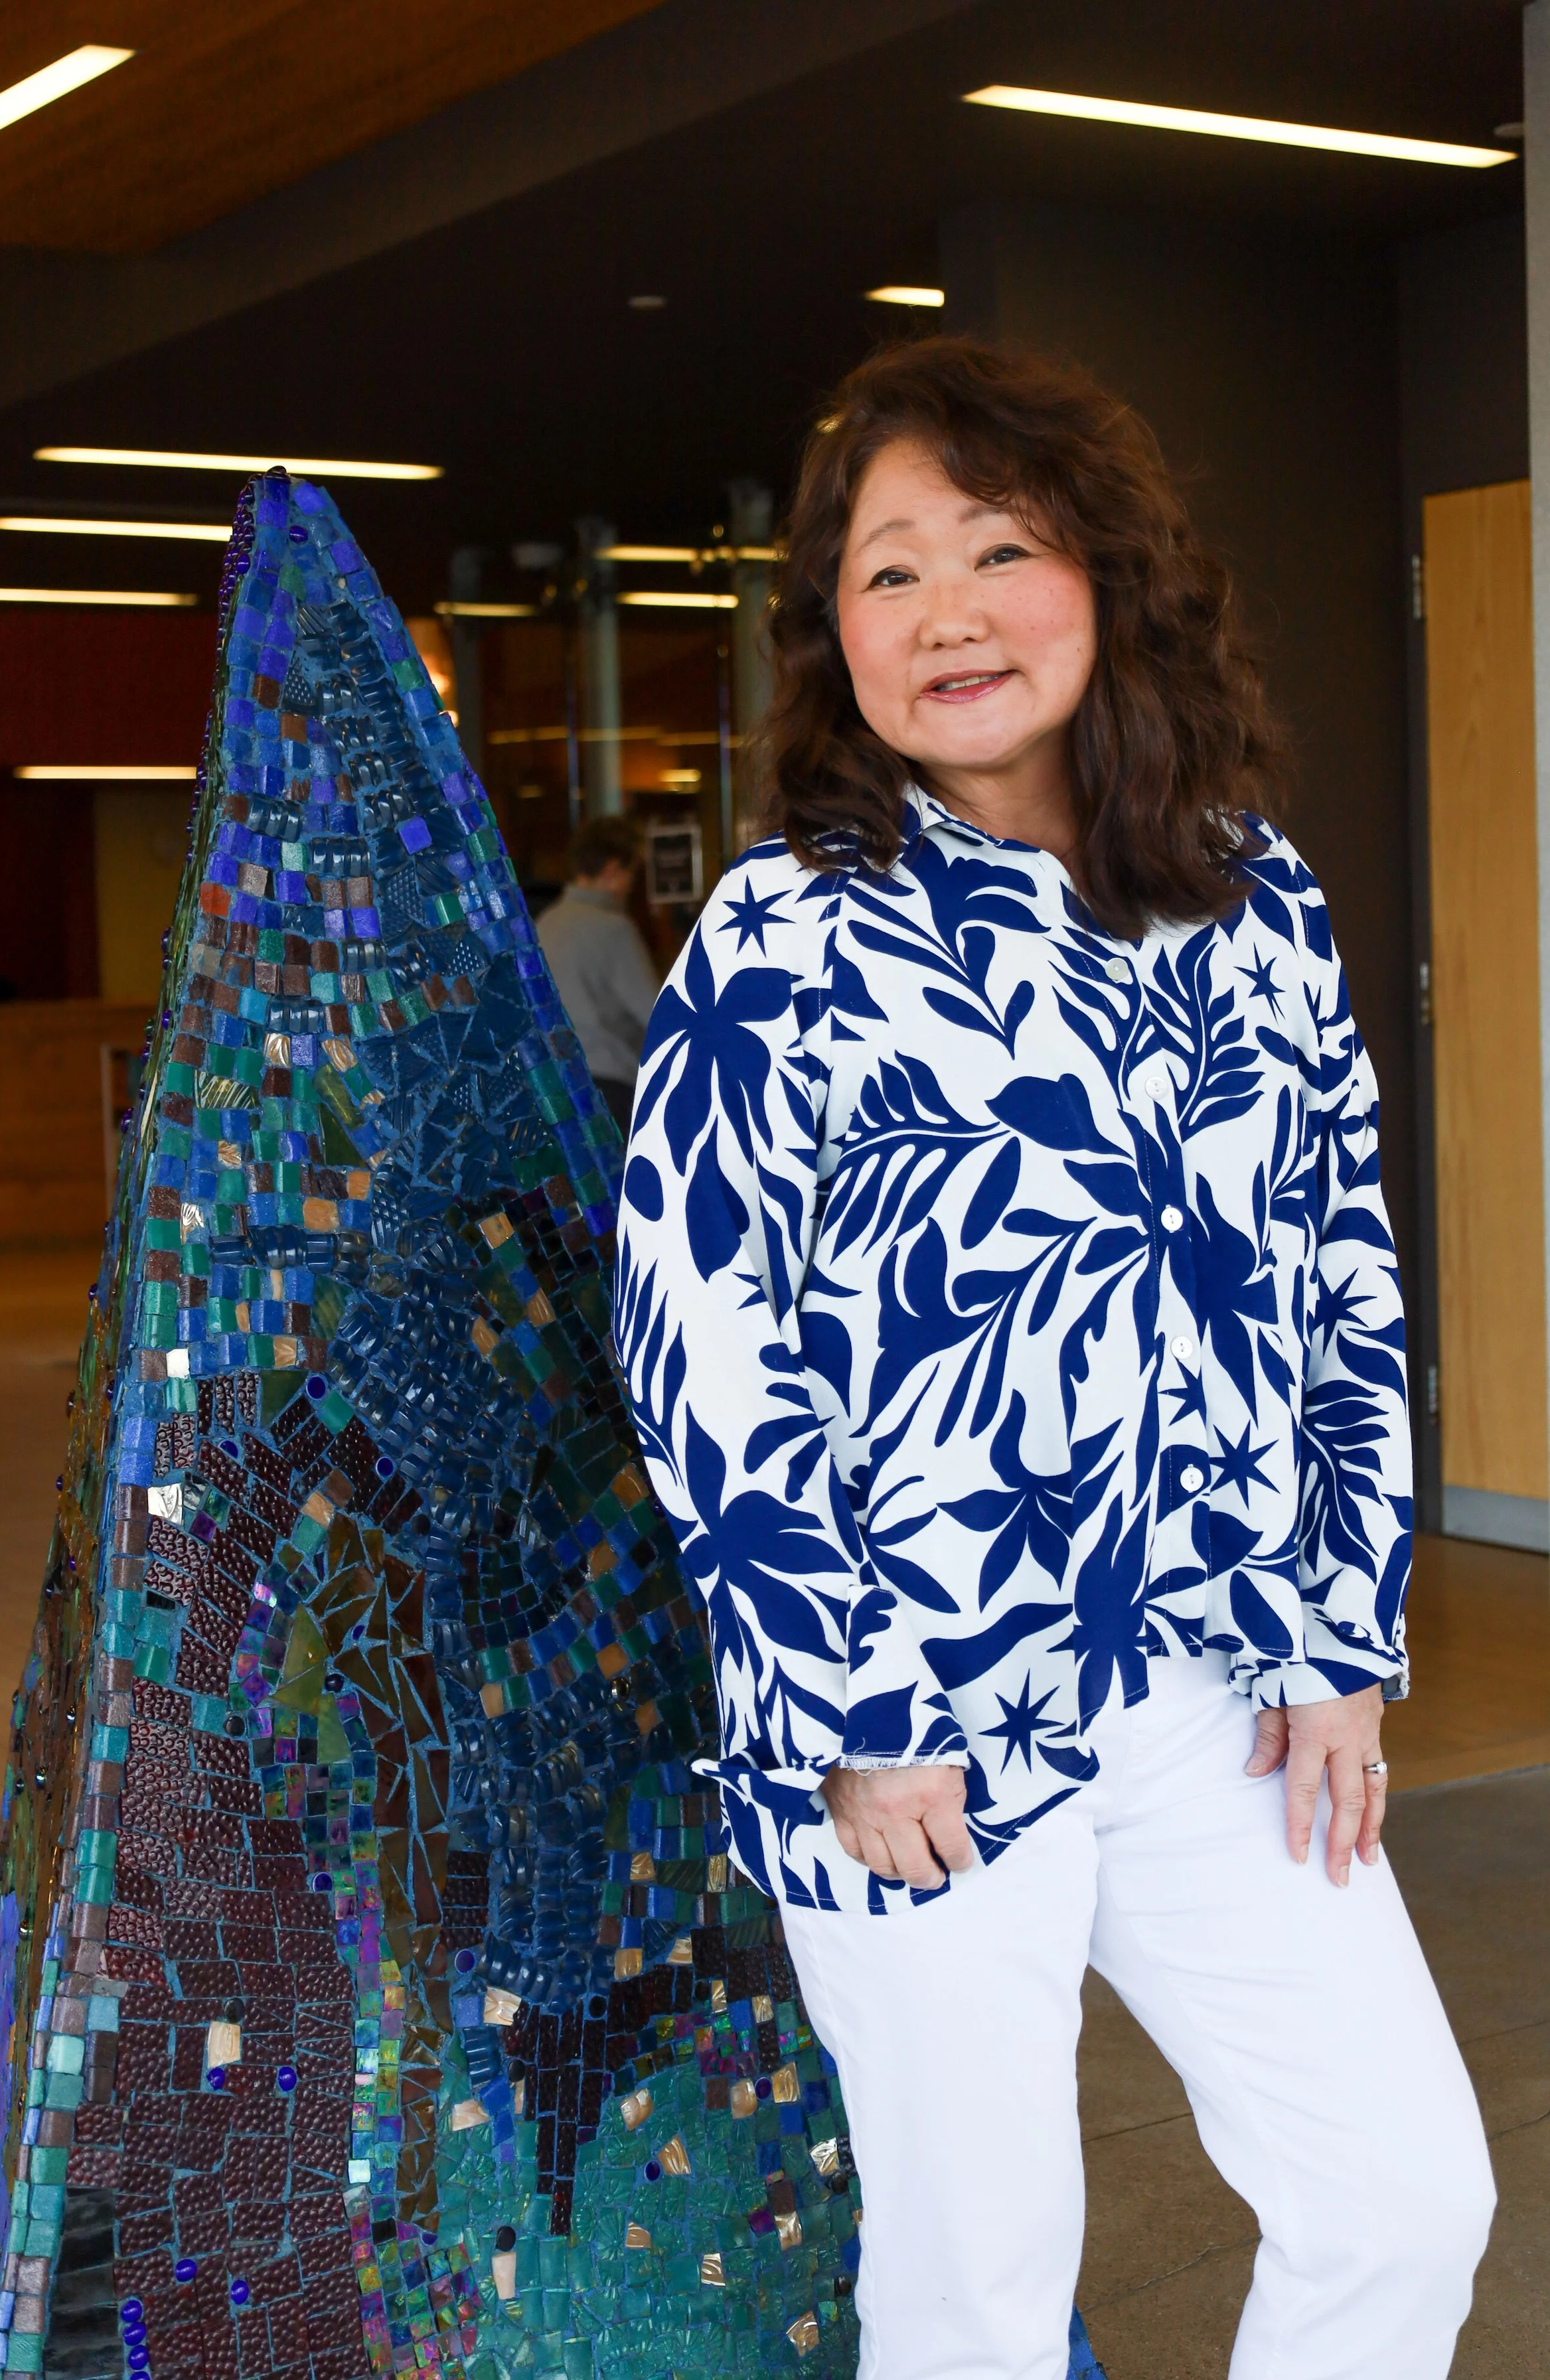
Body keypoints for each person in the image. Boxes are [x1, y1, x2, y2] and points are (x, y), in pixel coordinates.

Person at [612, 337, 1494, 2380]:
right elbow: (701, 1346)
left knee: (1398, 2192)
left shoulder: (1250, 899)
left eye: (991, 547)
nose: (944, 613)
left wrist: (1335, 1629)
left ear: (1101, 573)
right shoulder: (783, 936)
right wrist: (848, 1696)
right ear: (833, 636)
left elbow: (1334, 1277)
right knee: (972, 2293)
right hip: (911, 1727)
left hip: (1212, 1689)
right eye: (885, 570)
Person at [537, 815, 661, 1134]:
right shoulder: (614, 929)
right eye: (632, 872)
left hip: (554, 1086)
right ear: (612, 870)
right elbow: (656, 1014)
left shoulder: (545, 923)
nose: (632, 885)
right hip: (610, 1087)